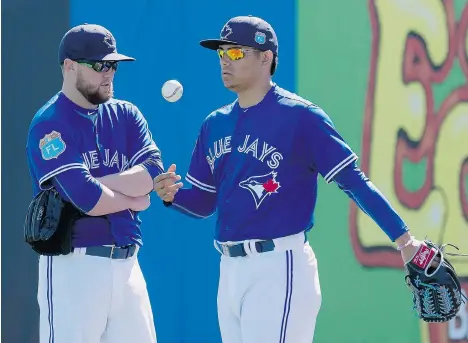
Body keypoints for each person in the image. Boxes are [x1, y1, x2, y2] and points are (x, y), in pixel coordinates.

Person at [153, 15, 429, 343]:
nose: (226, 60)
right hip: (228, 272)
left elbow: (354, 181)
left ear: (266, 57)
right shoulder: (214, 124)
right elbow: (204, 201)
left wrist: (406, 242)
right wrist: (173, 196)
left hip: (278, 267)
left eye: (236, 53)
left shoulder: (301, 117)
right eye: (221, 53)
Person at [26, 23, 163, 343]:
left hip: (128, 266)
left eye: (113, 65)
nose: (109, 73)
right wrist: (133, 198)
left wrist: (105, 184)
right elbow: (87, 197)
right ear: (70, 66)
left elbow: (153, 171)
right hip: (74, 267)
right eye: (99, 65)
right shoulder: (50, 123)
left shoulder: (126, 115)